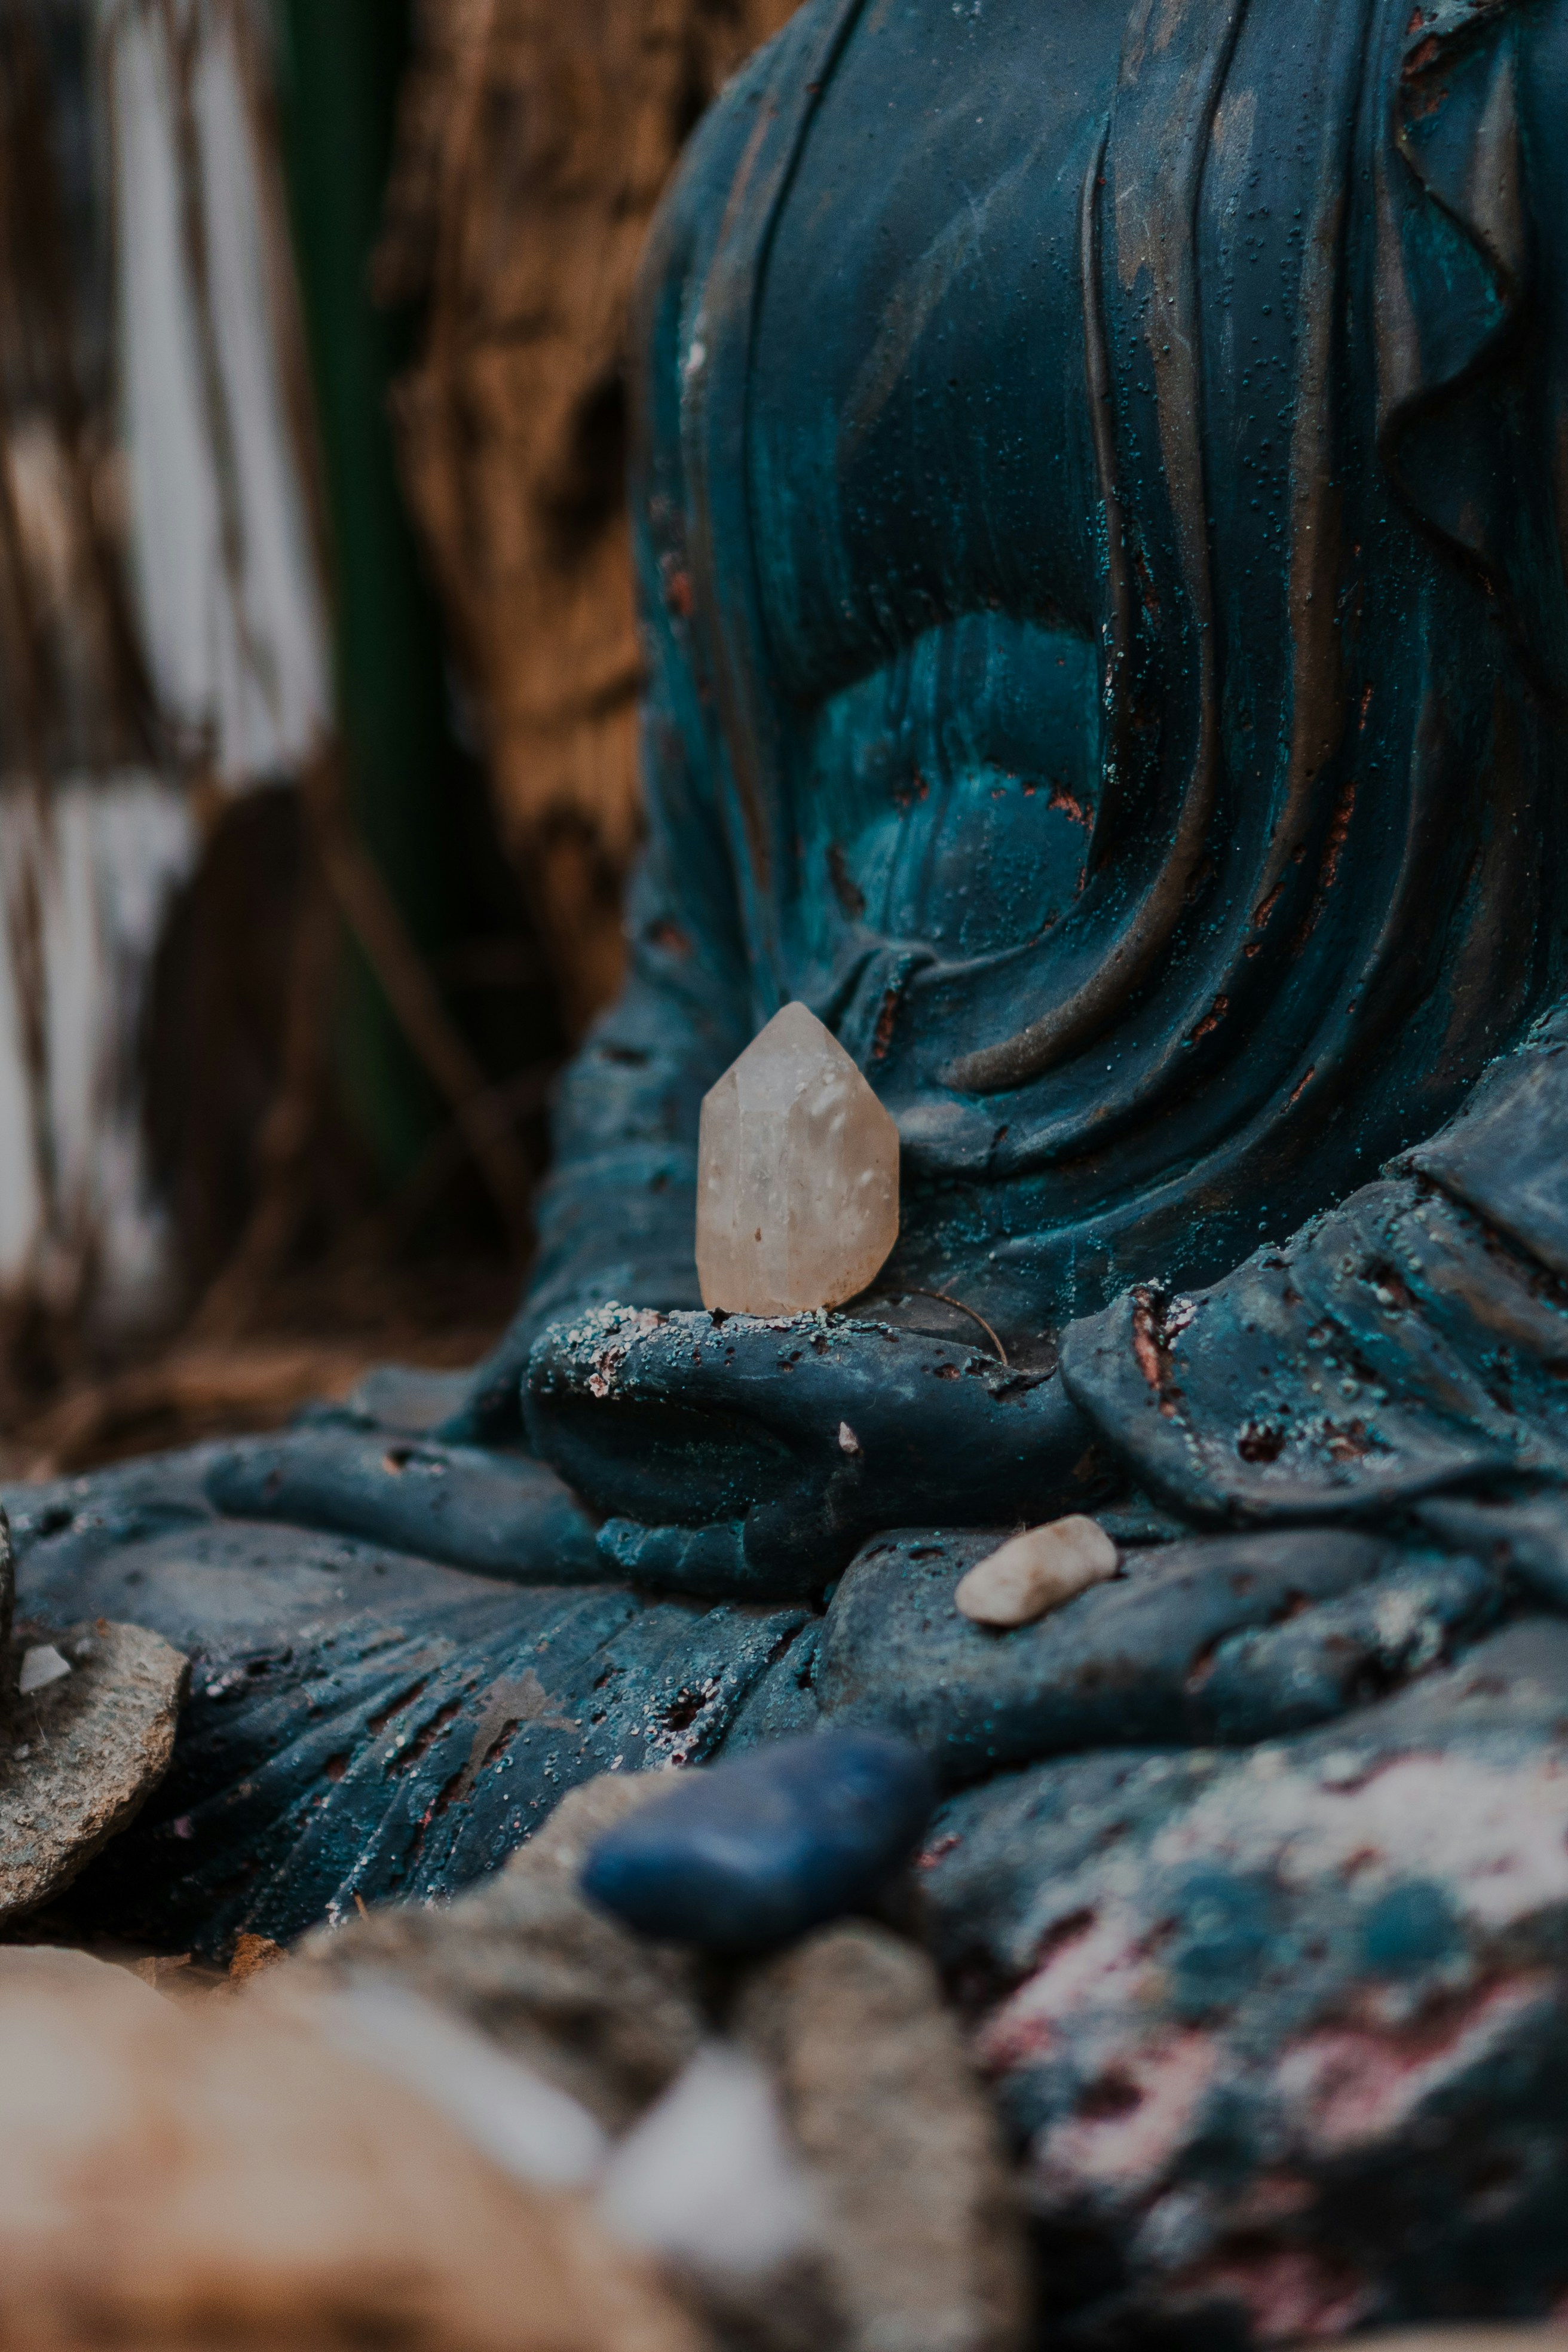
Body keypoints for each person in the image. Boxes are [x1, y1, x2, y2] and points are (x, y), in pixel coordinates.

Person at [14, 0, 1568, 2319]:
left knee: (1440, 1867)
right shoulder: (782, 124)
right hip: (737, 1576)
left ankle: (613, 2048)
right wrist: (629, 1344)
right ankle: (731, 2062)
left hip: (1338, 1487)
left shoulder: (1490, 81)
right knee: (95, 1602)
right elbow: (701, 973)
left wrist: (1145, 1388)